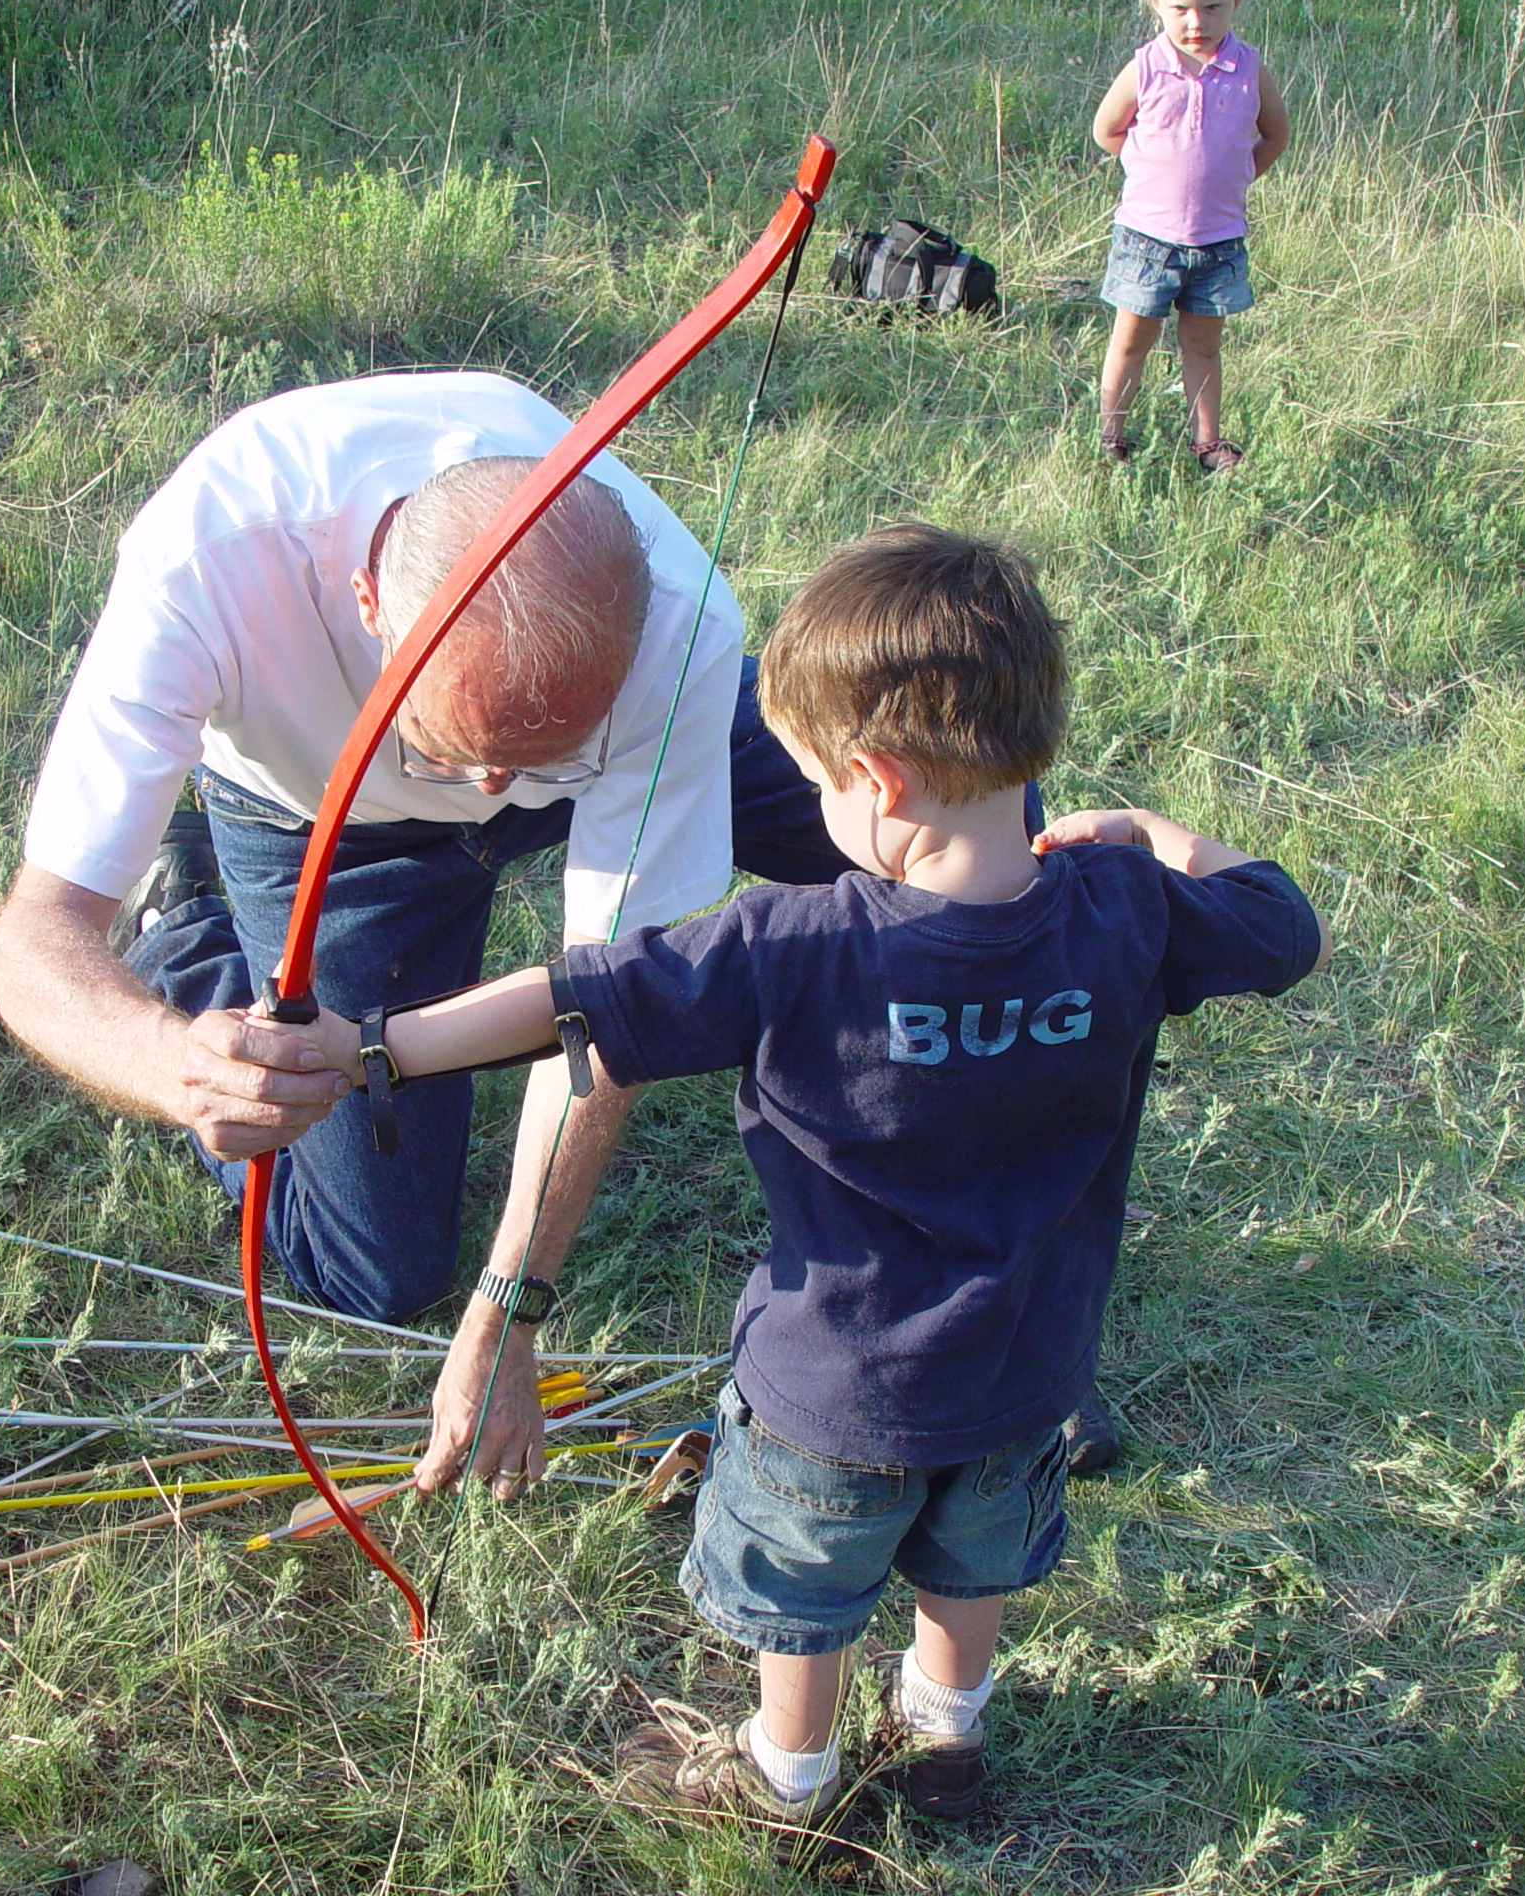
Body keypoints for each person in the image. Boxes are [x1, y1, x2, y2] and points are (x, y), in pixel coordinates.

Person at [286, 524, 1329, 1832]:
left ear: (876, 782)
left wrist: (380, 1046)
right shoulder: (1126, 906)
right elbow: (1283, 925)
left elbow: (573, 1001)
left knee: (805, 1589)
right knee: (969, 1566)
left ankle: (788, 1772)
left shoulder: (792, 941)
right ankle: (945, 1738)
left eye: (814, 783)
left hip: (831, 1390)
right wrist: (1144, 829)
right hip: (1029, 1370)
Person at [0, 373, 1119, 1467]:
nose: (493, 795)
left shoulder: (674, 625)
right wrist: (174, 1064)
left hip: (620, 735)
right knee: (373, 1268)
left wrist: (507, 1310)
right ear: (368, 602)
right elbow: (37, 938)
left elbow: (610, 1001)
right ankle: (185, 918)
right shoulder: (208, 559)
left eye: (536, 752)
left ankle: (992, 1260)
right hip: (331, 821)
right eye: (455, 746)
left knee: (973, 822)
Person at [1090, 0, 1290, 471]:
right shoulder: (1147, 67)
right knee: (1132, 340)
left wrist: (1236, 179)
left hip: (1218, 242)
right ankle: (1110, 436)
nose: (1196, 22)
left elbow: (1276, 135)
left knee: (1203, 344)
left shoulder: (1249, 69)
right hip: (1147, 240)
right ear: (1155, 1)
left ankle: (1207, 443)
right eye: (1180, 8)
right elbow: (1106, 130)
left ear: (1237, 1)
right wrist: (1153, 172)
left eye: (1213, 7)